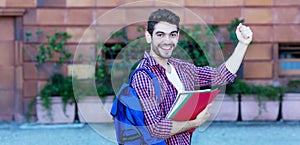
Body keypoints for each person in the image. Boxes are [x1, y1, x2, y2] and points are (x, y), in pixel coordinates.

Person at [130, 9, 253, 145]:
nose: (167, 41)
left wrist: (243, 44)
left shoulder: (181, 67)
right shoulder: (143, 76)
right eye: (160, 34)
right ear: (148, 36)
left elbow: (221, 76)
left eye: (172, 34)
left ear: (177, 37)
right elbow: (156, 129)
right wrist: (195, 122)